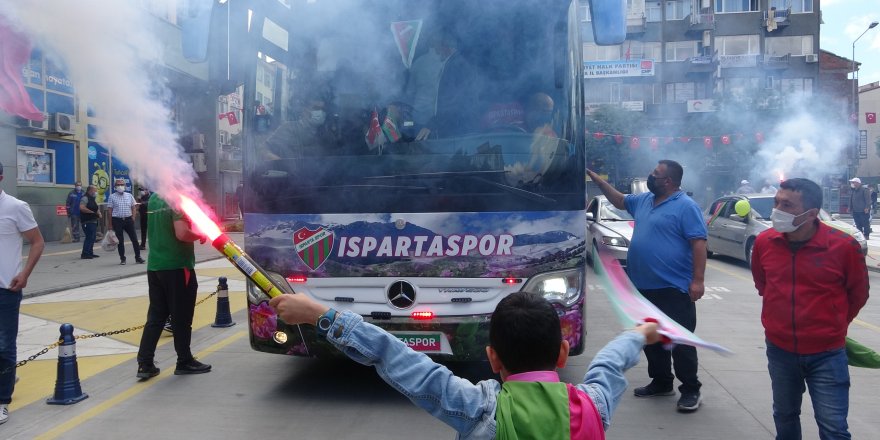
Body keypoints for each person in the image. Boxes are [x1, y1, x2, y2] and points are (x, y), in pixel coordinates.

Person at [269, 290, 661, 438]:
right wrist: (640, 334)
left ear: (492, 358)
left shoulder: (479, 410)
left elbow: (397, 358)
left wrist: (322, 314)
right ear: (561, 353)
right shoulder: (594, 406)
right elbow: (609, 365)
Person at [751, 178, 869, 439]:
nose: (777, 210)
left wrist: (833, 325)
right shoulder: (764, 242)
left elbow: (858, 294)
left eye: (787, 205)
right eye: (777, 202)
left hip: (827, 353)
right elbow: (763, 285)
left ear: (812, 214)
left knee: (833, 426)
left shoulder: (843, 246)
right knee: (784, 416)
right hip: (780, 351)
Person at [587, 160, 707, 412]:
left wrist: (698, 280)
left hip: (673, 288)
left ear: (670, 181)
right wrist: (598, 181)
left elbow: (698, 243)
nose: (650, 177)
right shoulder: (643, 200)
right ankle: (662, 382)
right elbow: (620, 200)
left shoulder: (686, 207)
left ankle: (691, 389)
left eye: (656, 174)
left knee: (680, 341)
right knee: (651, 339)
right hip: (643, 286)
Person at [136, 193, 211, 379]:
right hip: (177, 266)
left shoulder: (154, 198)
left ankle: (145, 364)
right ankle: (184, 360)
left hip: (155, 266)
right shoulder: (178, 200)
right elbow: (182, 233)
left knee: (156, 317)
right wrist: (200, 234)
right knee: (182, 316)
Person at [0, 161, 45, 425]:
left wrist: (25, 273)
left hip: (6, 288)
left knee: (4, 346)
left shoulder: (16, 207)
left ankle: (3, 400)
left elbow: (37, 241)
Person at [262, 97, 329, 160]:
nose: (320, 112)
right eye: (316, 108)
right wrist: (282, 163)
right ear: (304, 110)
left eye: (323, 109)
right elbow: (264, 150)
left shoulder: (327, 135)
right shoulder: (288, 128)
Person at [107, 179, 143, 265]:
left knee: (134, 239)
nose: (120, 186)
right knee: (120, 241)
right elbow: (110, 211)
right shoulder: (112, 196)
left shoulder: (129, 195)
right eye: (118, 185)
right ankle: (122, 258)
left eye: (122, 184)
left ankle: (138, 257)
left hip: (128, 220)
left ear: (125, 186)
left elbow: (133, 207)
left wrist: (133, 217)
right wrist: (110, 224)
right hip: (117, 220)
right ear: (115, 186)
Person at [78, 185, 102, 259]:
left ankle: (90, 252)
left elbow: (96, 208)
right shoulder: (85, 198)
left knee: (93, 237)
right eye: (95, 190)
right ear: (90, 190)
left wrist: (99, 213)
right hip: (87, 221)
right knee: (89, 237)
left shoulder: (92, 199)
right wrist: (92, 212)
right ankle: (85, 253)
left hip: (93, 221)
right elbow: (82, 208)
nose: (96, 192)